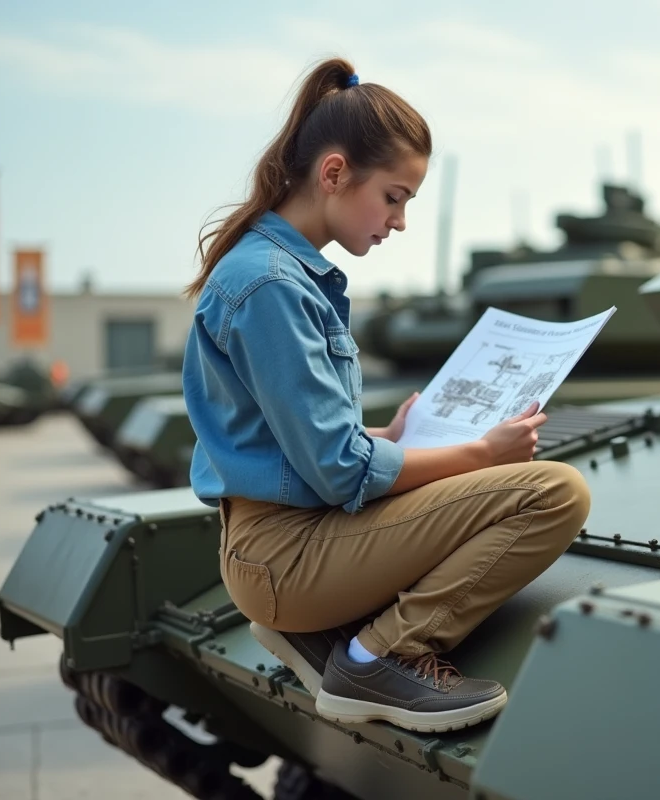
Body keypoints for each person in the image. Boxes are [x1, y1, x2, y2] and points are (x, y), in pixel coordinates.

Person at [181, 57, 591, 734]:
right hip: (286, 557)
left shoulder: (276, 273)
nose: (399, 222)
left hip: (280, 545)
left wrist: (388, 440)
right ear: (335, 173)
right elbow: (339, 471)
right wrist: (481, 454)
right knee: (553, 493)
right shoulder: (273, 286)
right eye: (395, 197)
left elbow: (288, 444)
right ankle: (378, 655)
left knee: (517, 480)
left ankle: (325, 637)